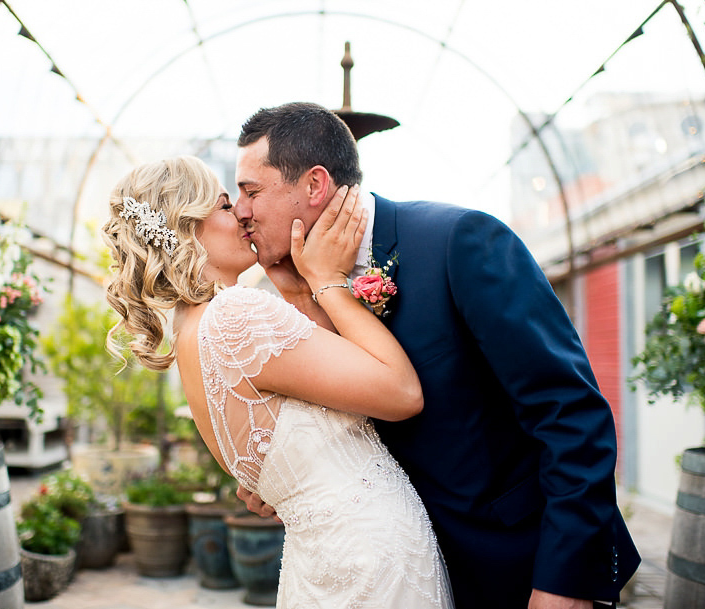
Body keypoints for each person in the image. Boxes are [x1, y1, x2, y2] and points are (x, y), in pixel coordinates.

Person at [231, 102, 640, 609]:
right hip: (401, 578)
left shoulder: (458, 242)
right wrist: (284, 480)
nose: (240, 212)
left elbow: (571, 413)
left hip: (517, 566)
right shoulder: (285, 297)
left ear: (314, 185)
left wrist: (566, 581)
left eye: (252, 192)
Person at [102, 156, 455, 608]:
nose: (244, 215)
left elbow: (313, 410)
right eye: (227, 206)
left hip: (327, 562)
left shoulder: (192, 331)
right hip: (371, 558)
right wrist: (328, 283)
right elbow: (401, 393)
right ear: (188, 228)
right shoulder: (236, 316)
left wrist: (295, 295)